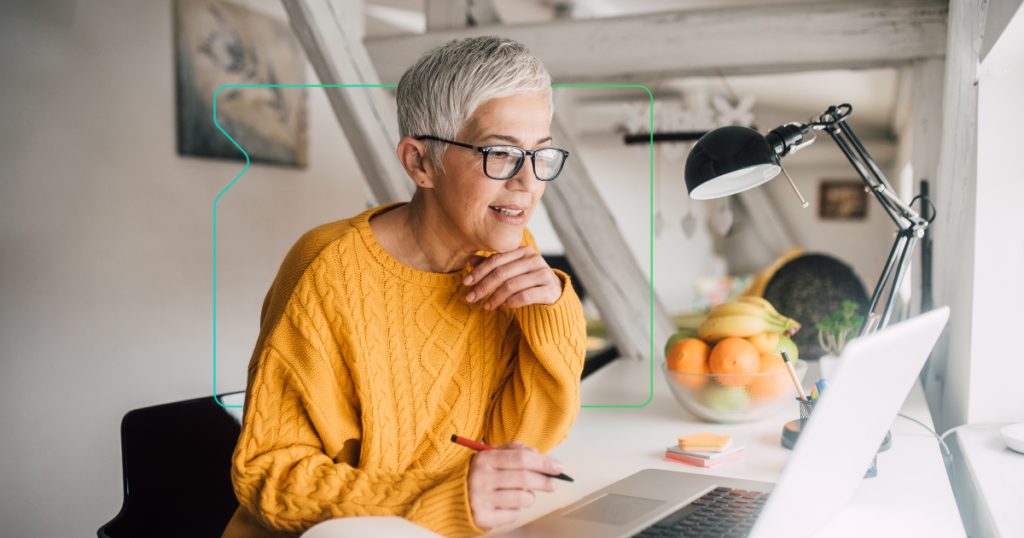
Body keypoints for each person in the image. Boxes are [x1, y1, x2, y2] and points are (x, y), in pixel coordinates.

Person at [221, 36, 586, 538]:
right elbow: (270, 475)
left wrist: (550, 310)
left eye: (540, 155)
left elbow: (522, 440)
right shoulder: (327, 269)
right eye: (500, 154)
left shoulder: (502, 249)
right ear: (419, 163)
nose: (528, 182)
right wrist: (436, 500)